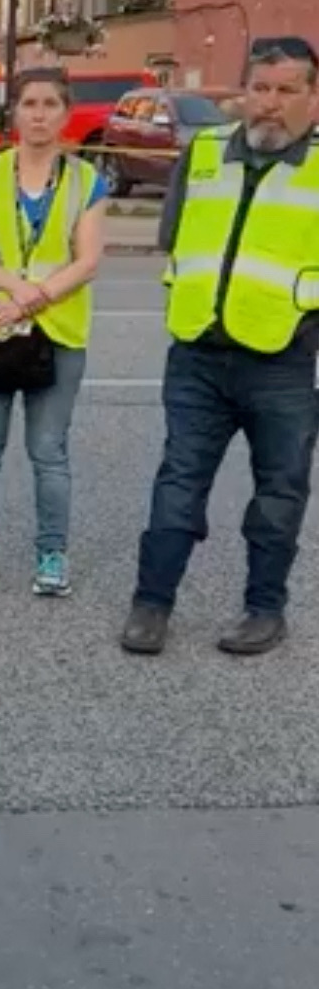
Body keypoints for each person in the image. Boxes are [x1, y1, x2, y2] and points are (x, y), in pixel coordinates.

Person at [121, 36, 319, 658]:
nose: (270, 104)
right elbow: (174, 233)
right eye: (261, 88)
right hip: (199, 352)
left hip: (284, 357)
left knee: (280, 490)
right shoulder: (204, 152)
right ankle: (151, 606)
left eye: (287, 90)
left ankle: (265, 610)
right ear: (245, 93)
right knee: (178, 481)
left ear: (312, 99)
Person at [0, 66, 107, 596]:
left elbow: (87, 261)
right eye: (29, 103)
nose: (39, 114)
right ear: (14, 113)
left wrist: (32, 297)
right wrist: (13, 293)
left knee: (49, 451)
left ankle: (51, 554)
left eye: (50, 104)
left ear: (66, 114)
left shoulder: (87, 181)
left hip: (58, 332)